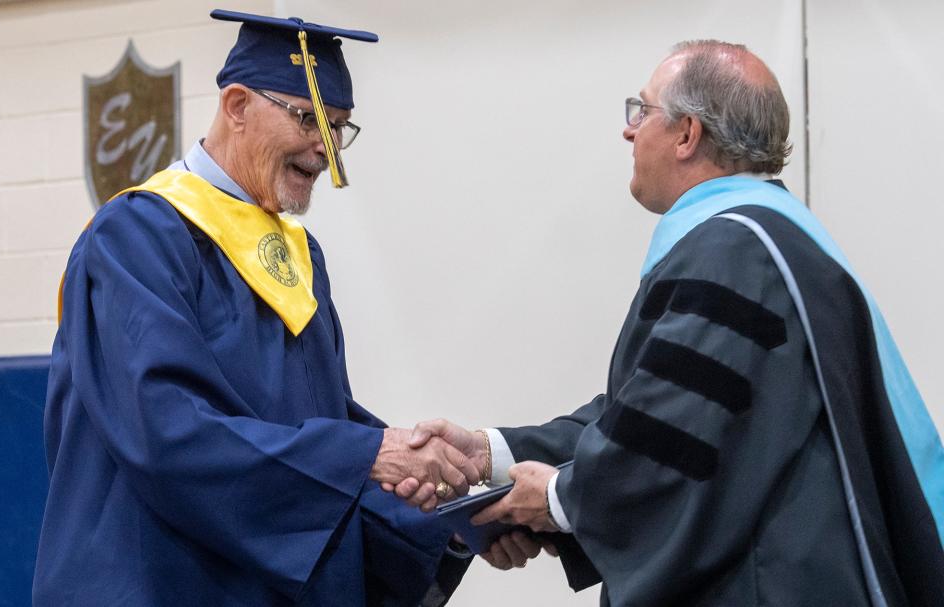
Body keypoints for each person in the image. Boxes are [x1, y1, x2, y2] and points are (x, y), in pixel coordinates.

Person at [402, 40, 944, 605]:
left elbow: (668, 449)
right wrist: (492, 454)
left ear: (687, 134)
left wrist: (560, 498)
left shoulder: (736, 252)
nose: (629, 131)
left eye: (643, 110)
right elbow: (652, 419)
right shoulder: (763, 240)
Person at [33, 9, 479, 607]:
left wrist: (451, 504)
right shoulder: (136, 237)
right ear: (238, 106)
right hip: (153, 583)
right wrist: (366, 455)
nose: (325, 149)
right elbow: (166, 431)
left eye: (339, 127)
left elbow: (313, 423)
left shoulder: (299, 253)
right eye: (308, 119)